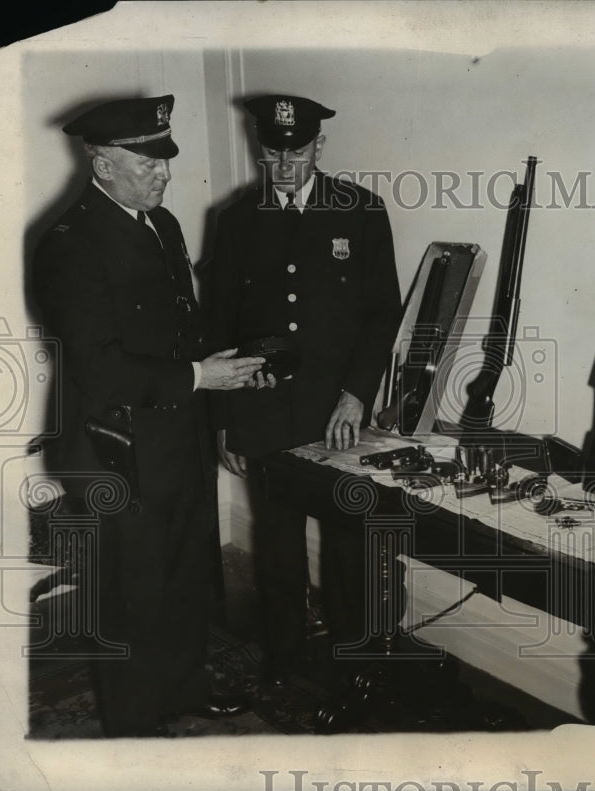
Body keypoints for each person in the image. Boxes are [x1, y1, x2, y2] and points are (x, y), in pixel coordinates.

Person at [34, 95, 265, 737]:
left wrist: (229, 368)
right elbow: (98, 366)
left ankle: (184, 687)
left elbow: (181, 328)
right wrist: (198, 377)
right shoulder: (69, 243)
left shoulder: (160, 224)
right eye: (148, 162)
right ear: (102, 163)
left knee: (185, 576)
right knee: (129, 595)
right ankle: (133, 729)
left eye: (166, 160)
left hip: (176, 436)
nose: (164, 173)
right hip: (115, 449)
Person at [204, 94, 402, 685]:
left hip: (335, 410)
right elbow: (218, 327)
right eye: (272, 153)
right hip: (261, 407)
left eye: (297, 151)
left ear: (319, 145)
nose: (284, 165)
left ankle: (353, 662)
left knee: (348, 538)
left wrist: (356, 395)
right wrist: (225, 420)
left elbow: (382, 314)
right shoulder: (236, 219)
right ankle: (286, 661)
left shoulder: (360, 211)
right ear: (259, 148)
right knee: (276, 540)